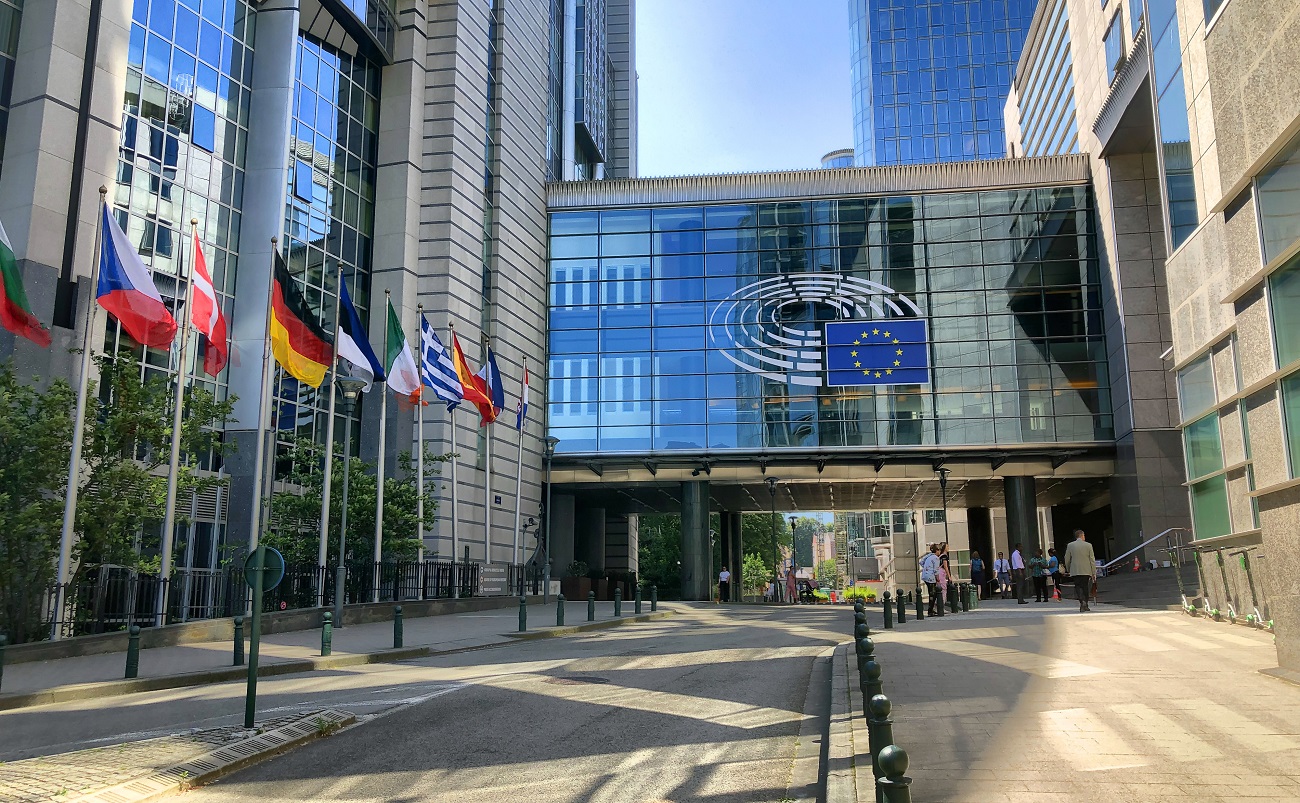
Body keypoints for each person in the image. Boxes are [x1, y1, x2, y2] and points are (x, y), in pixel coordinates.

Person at [1063, 529, 1097, 612]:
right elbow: (1092, 559)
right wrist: (1093, 571)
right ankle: (1086, 602)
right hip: (1086, 570)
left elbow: (1067, 559)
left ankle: (1081, 601)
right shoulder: (1088, 545)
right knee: (1085, 586)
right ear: (1082, 535)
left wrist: (1068, 568)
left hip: (1075, 570)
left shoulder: (1070, 545)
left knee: (1077, 586)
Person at [920, 544, 941, 616]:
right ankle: (930, 610)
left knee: (931, 593)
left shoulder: (929, 556)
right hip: (931, 577)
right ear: (937, 550)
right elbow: (936, 570)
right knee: (933, 594)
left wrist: (926, 568)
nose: (940, 552)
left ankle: (931, 609)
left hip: (925, 576)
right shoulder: (936, 558)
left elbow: (921, 562)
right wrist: (938, 579)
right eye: (939, 550)